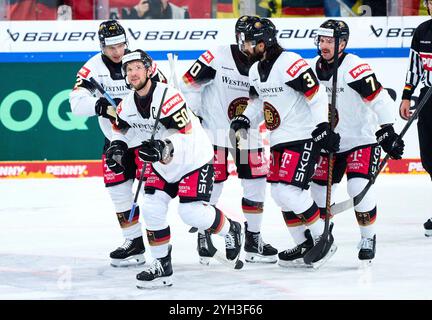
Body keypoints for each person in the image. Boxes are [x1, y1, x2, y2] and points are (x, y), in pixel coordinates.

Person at [107, 49, 243, 288]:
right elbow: (120, 130)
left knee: (190, 213)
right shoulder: (127, 104)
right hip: (162, 165)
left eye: (138, 67)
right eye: (129, 69)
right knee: (151, 207)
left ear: (149, 70)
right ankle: (162, 265)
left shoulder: (168, 97)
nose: (133, 73)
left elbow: (187, 134)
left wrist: (163, 146)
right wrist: (117, 147)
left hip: (193, 159)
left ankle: (231, 228)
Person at [230, 17, 340, 268]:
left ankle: (324, 238)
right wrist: (244, 118)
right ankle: (305, 244)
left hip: (303, 137)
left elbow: (316, 94)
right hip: (279, 140)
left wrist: (323, 126)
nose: (243, 48)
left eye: (247, 43)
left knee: (290, 191)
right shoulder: (256, 70)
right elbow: (258, 103)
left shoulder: (289, 62)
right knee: (280, 194)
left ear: (262, 43)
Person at [180, 15, 278, 264]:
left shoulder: (268, 63)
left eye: (257, 42)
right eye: (248, 41)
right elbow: (188, 84)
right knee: (213, 185)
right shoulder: (217, 55)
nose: (252, 47)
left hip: (248, 133)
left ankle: (253, 238)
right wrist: (198, 114)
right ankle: (205, 234)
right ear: (239, 39)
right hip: (215, 132)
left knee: (255, 183)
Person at [69, 20, 166, 267]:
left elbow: (166, 90)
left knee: (154, 197)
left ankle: (164, 246)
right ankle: (133, 241)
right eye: (110, 46)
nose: (116, 51)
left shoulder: (140, 63)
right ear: (102, 46)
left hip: (146, 140)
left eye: (120, 44)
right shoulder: (92, 69)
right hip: (116, 140)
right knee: (119, 193)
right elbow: (75, 103)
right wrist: (97, 105)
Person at [310, 19, 405, 263]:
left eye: (329, 41)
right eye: (321, 40)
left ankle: (368, 236)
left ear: (342, 43)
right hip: (330, 142)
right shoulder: (312, 68)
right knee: (318, 191)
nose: (324, 45)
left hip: (360, 140)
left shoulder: (354, 67)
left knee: (358, 187)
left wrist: (387, 130)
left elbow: (381, 99)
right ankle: (322, 235)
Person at [400, 0, 432, 238]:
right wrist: (406, 96)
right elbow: (415, 68)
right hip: (428, 100)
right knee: (430, 159)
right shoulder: (422, 31)